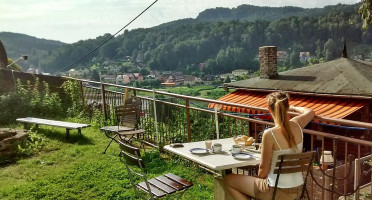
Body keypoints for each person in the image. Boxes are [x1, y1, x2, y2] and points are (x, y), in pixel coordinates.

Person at [224, 91, 315, 200]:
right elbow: (310, 111)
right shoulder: (297, 124)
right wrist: (294, 108)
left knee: (228, 180)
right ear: (287, 106)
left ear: (269, 109)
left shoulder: (270, 134)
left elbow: (263, 170)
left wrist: (257, 181)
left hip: (275, 191)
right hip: (298, 189)